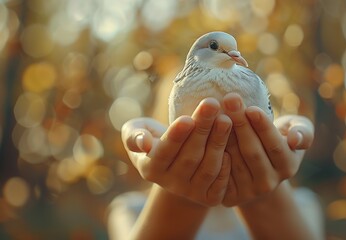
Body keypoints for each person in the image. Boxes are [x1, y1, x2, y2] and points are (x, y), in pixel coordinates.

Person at [108, 93, 324, 239]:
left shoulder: (303, 204)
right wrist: (180, 197)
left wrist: (265, 198)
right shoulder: (129, 210)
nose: (218, 123)